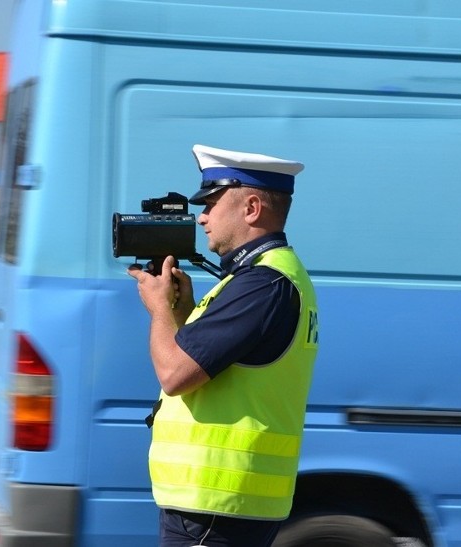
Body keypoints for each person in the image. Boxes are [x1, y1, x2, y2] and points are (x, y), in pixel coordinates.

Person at [128, 144, 320, 547]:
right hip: (222, 505)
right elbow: (210, 366)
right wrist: (180, 314)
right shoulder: (265, 278)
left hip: (216, 506)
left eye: (212, 204)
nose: (202, 217)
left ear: (251, 208)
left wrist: (160, 311)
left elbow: (174, 374)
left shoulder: (261, 285)